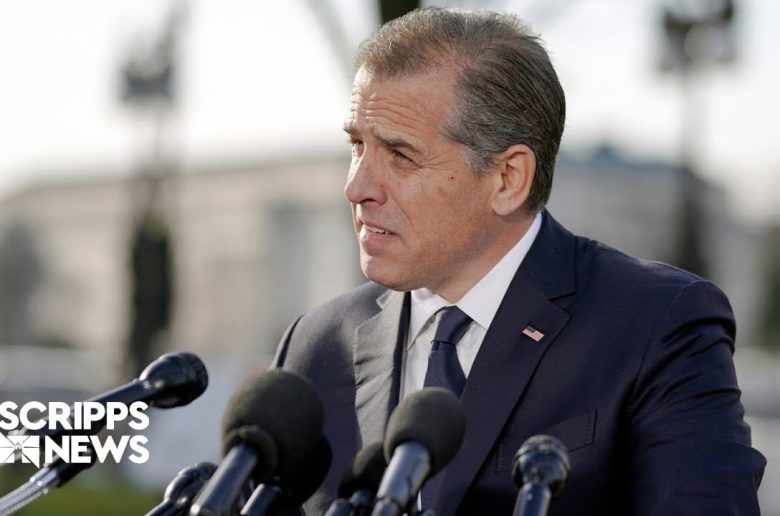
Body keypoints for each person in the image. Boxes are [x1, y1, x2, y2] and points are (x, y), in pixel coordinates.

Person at [273, 7, 765, 515]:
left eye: (400, 155)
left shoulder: (656, 325)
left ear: (509, 179)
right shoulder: (315, 346)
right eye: (357, 145)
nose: (357, 187)